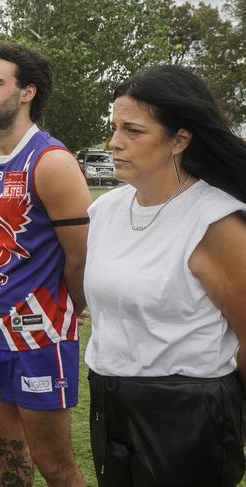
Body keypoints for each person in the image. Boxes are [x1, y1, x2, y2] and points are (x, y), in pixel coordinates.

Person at [85, 65, 246, 486]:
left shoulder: (215, 222)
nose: (114, 143)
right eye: (114, 127)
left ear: (179, 139)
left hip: (187, 414)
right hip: (109, 400)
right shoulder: (105, 210)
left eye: (133, 131)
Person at [0, 42, 89, 486]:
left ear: (27, 93)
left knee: (55, 466)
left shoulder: (52, 161)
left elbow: (80, 259)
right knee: (6, 452)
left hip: (39, 337)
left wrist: (71, 312)